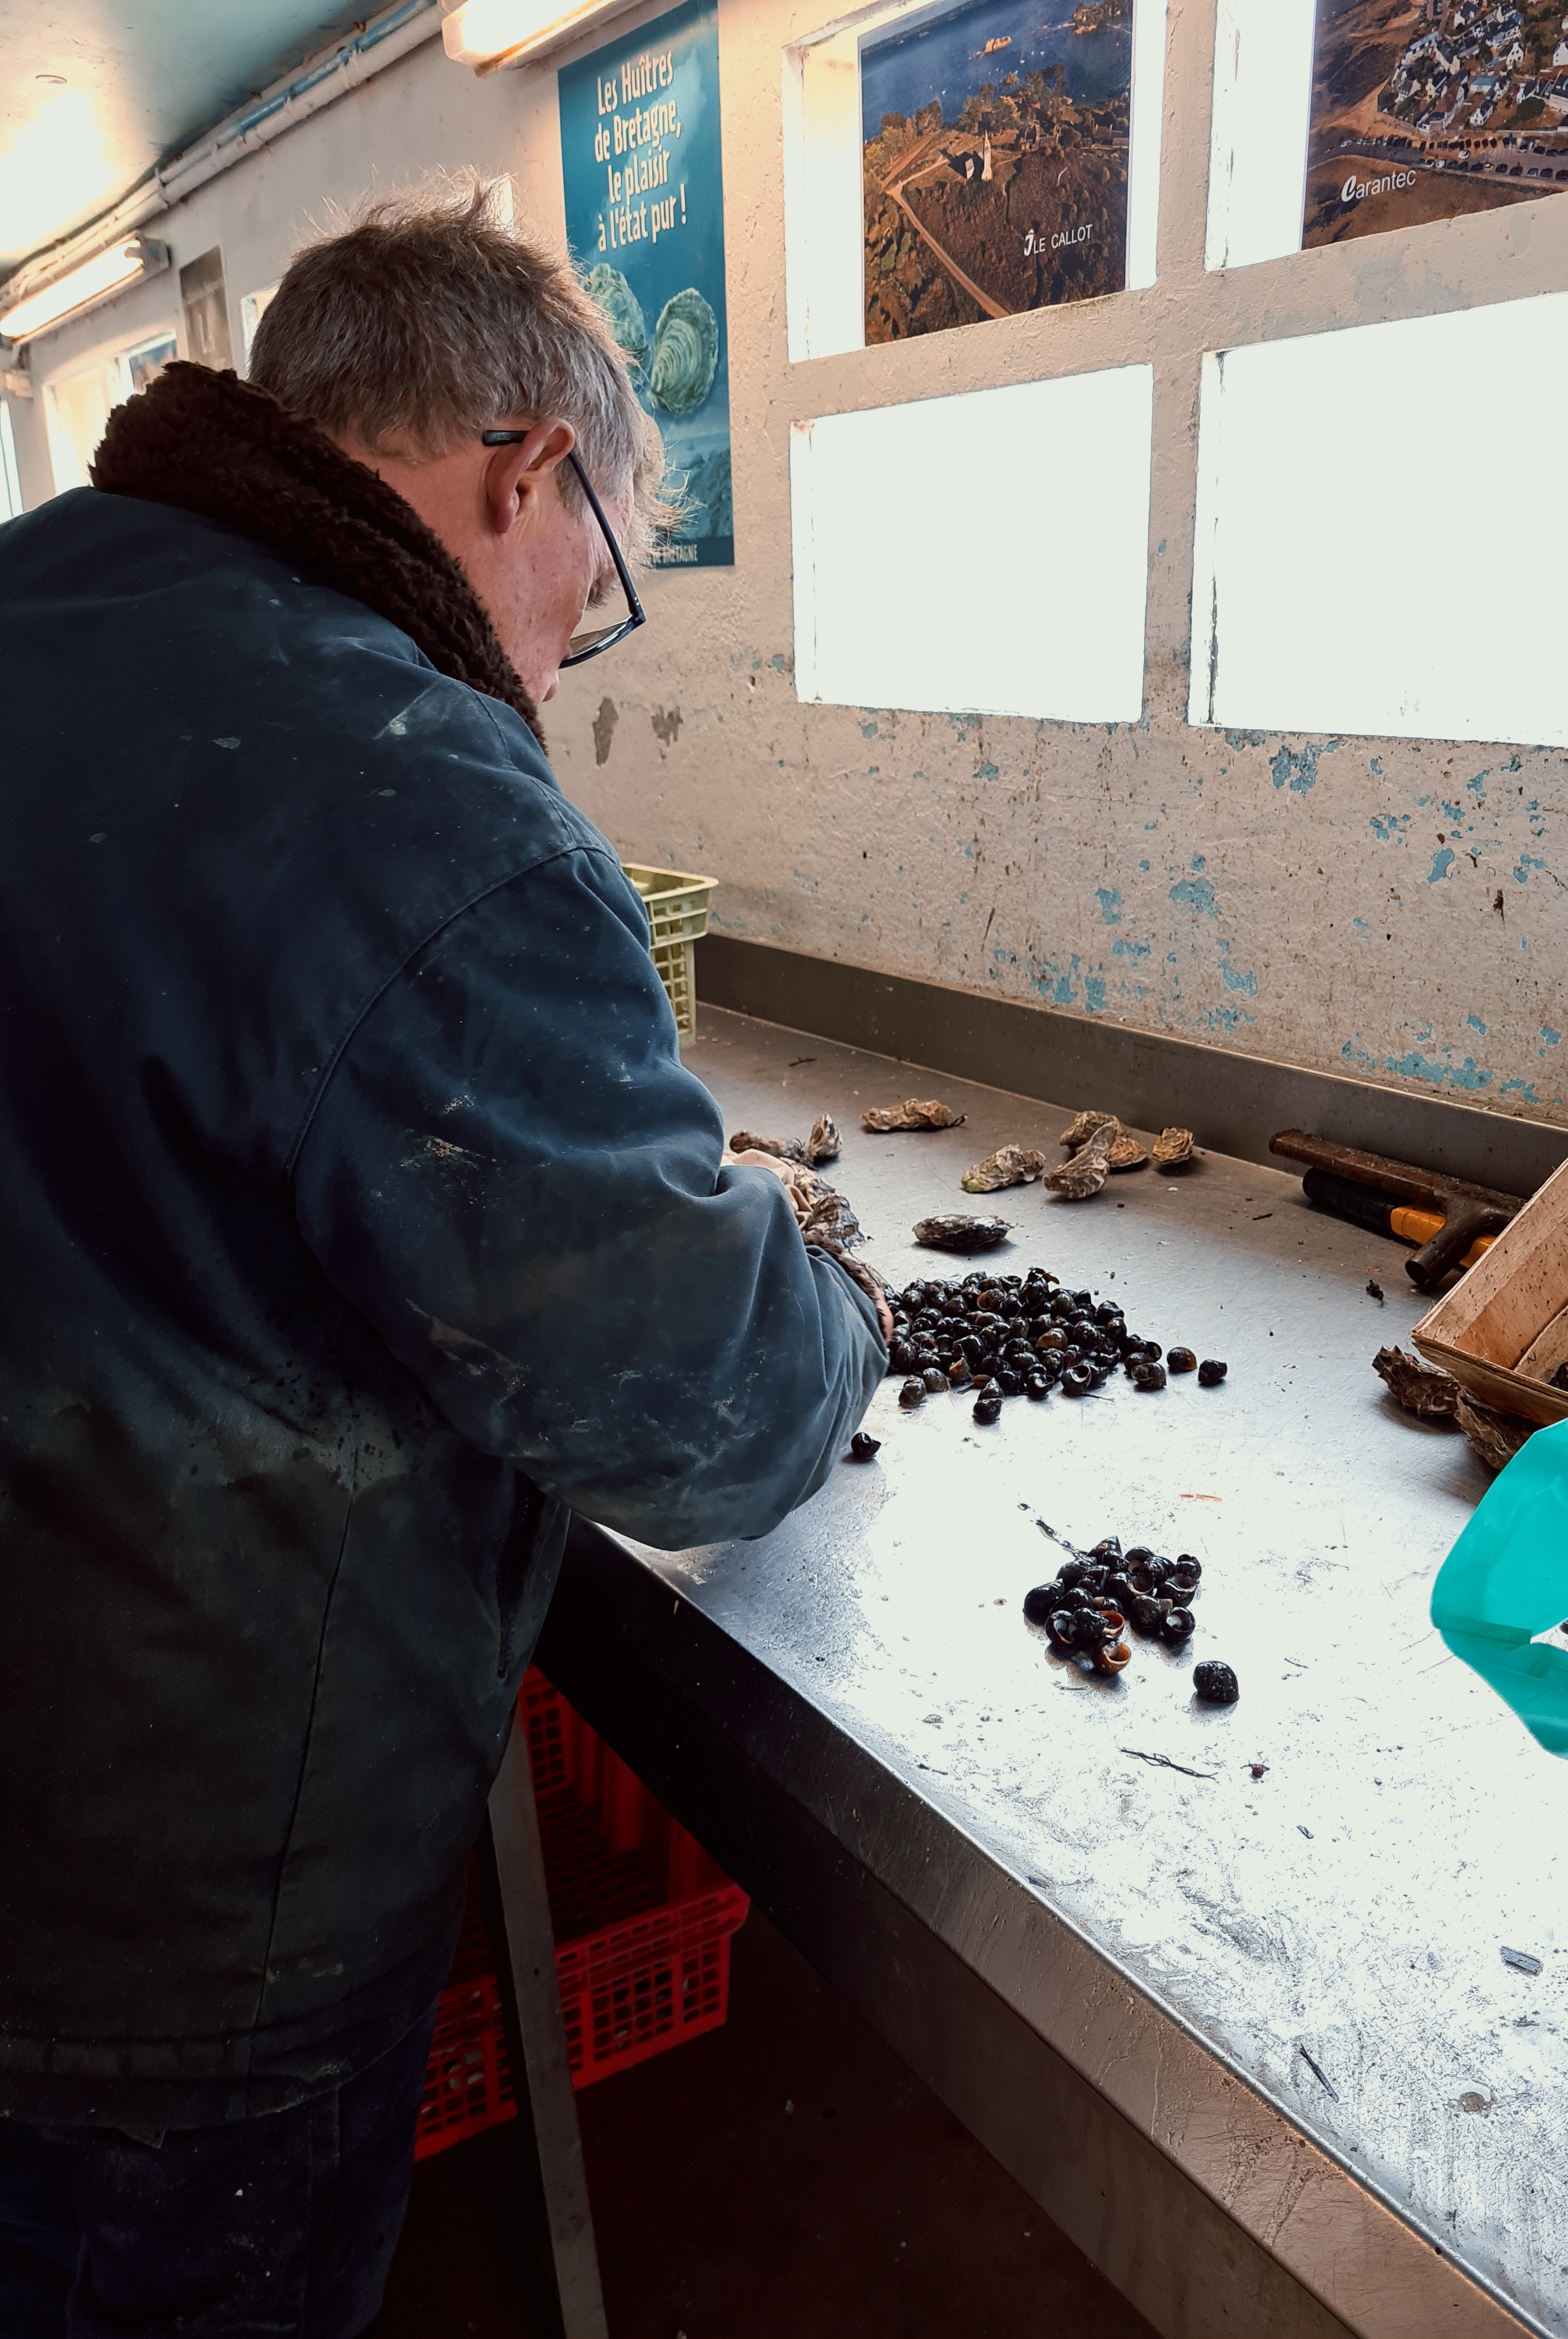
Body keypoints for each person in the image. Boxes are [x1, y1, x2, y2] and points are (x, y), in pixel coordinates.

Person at [0, 176, 887, 2336]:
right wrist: (837, 1298)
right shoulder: (414, 793)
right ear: (531, 472)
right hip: (161, 1947)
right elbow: (698, 1413)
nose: (567, 657)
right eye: (603, 585)